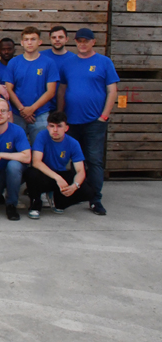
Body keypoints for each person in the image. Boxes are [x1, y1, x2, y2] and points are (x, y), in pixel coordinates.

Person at [57, 28, 119, 216]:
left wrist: (104, 116)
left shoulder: (104, 62)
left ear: (93, 42)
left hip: (94, 122)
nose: (82, 44)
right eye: (79, 41)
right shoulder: (68, 63)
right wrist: (60, 115)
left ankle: (95, 199)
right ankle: (72, 194)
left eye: (86, 41)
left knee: (93, 160)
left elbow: (112, 91)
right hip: (71, 121)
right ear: (75, 42)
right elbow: (62, 90)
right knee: (71, 159)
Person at [23, 111, 95, 219]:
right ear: (48, 127)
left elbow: (80, 171)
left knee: (88, 191)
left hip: (61, 173)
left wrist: (74, 186)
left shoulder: (73, 143)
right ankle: (35, 205)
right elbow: (36, 162)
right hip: (44, 175)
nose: (55, 130)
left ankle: (59, 202)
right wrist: (57, 178)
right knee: (31, 173)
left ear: (66, 128)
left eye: (59, 126)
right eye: (52, 126)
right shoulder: (42, 136)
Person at [4, 27, 59, 144]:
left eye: (33, 39)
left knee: (41, 149)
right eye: (26, 39)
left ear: (40, 42)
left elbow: (51, 91)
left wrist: (32, 109)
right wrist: (22, 109)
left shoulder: (49, 63)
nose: (29, 42)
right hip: (17, 114)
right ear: (22, 42)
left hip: (40, 114)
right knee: (16, 149)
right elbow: (8, 89)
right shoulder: (14, 62)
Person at [41, 26, 75, 111]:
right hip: (43, 107)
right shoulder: (41, 57)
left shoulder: (74, 59)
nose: (57, 40)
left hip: (67, 107)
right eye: (54, 37)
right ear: (50, 39)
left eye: (60, 37)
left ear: (66, 39)